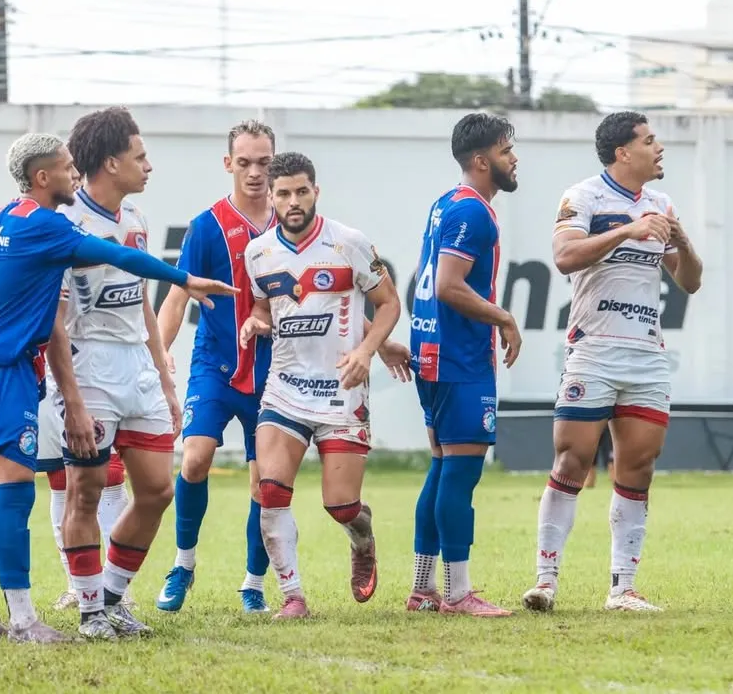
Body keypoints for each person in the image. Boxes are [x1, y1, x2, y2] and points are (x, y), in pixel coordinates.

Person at [0, 133, 237, 643]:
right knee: (17, 495)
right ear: (43, 177)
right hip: (14, 369)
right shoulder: (51, 225)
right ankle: (26, 621)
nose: (73, 175)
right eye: (65, 168)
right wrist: (184, 278)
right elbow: (115, 258)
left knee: (4, 495)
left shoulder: (2, 218)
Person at [521, 111, 703, 613]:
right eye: (649, 140)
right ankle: (545, 580)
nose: (659, 147)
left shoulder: (662, 203)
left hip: (646, 354)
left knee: (638, 465)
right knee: (572, 461)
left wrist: (682, 241)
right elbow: (564, 257)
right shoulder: (582, 197)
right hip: (594, 350)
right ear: (624, 152)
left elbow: (690, 281)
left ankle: (622, 588)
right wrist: (627, 231)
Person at [36, 107, 181, 639]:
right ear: (111, 162)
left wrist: (163, 374)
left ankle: (111, 598)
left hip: (137, 364)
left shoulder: (135, 222)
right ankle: (90, 611)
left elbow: (141, 298)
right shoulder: (67, 224)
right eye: (141, 156)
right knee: (86, 489)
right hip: (86, 362)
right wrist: (70, 396)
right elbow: (53, 318)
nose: (149, 166)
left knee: (158, 490)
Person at [239, 151, 403, 619]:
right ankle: (293, 597)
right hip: (285, 388)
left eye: (302, 191)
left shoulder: (349, 242)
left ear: (316, 192)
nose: (294, 201)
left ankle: (362, 538)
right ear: (270, 197)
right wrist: (254, 323)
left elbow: (388, 305)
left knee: (341, 505)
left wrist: (367, 350)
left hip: (341, 390)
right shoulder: (258, 252)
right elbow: (261, 306)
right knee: (269, 491)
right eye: (284, 193)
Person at [154, 120, 277, 614]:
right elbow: (176, 296)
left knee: (263, 482)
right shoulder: (206, 226)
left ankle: (253, 584)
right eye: (244, 162)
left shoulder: (292, 222)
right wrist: (159, 357)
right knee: (195, 458)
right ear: (228, 164)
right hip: (215, 365)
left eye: (263, 162)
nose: (254, 172)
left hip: (274, 373)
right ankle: (183, 564)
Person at [406, 112, 520, 617]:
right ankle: (457, 592)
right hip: (459, 358)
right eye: (505, 150)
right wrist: (504, 319)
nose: (513, 159)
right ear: (482, 161)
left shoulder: (445, 203)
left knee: (442, 468)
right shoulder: (473, 212)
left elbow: (427, 280)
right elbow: (450, 286)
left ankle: (423, 587)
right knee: (461, 474)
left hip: (433, 352)